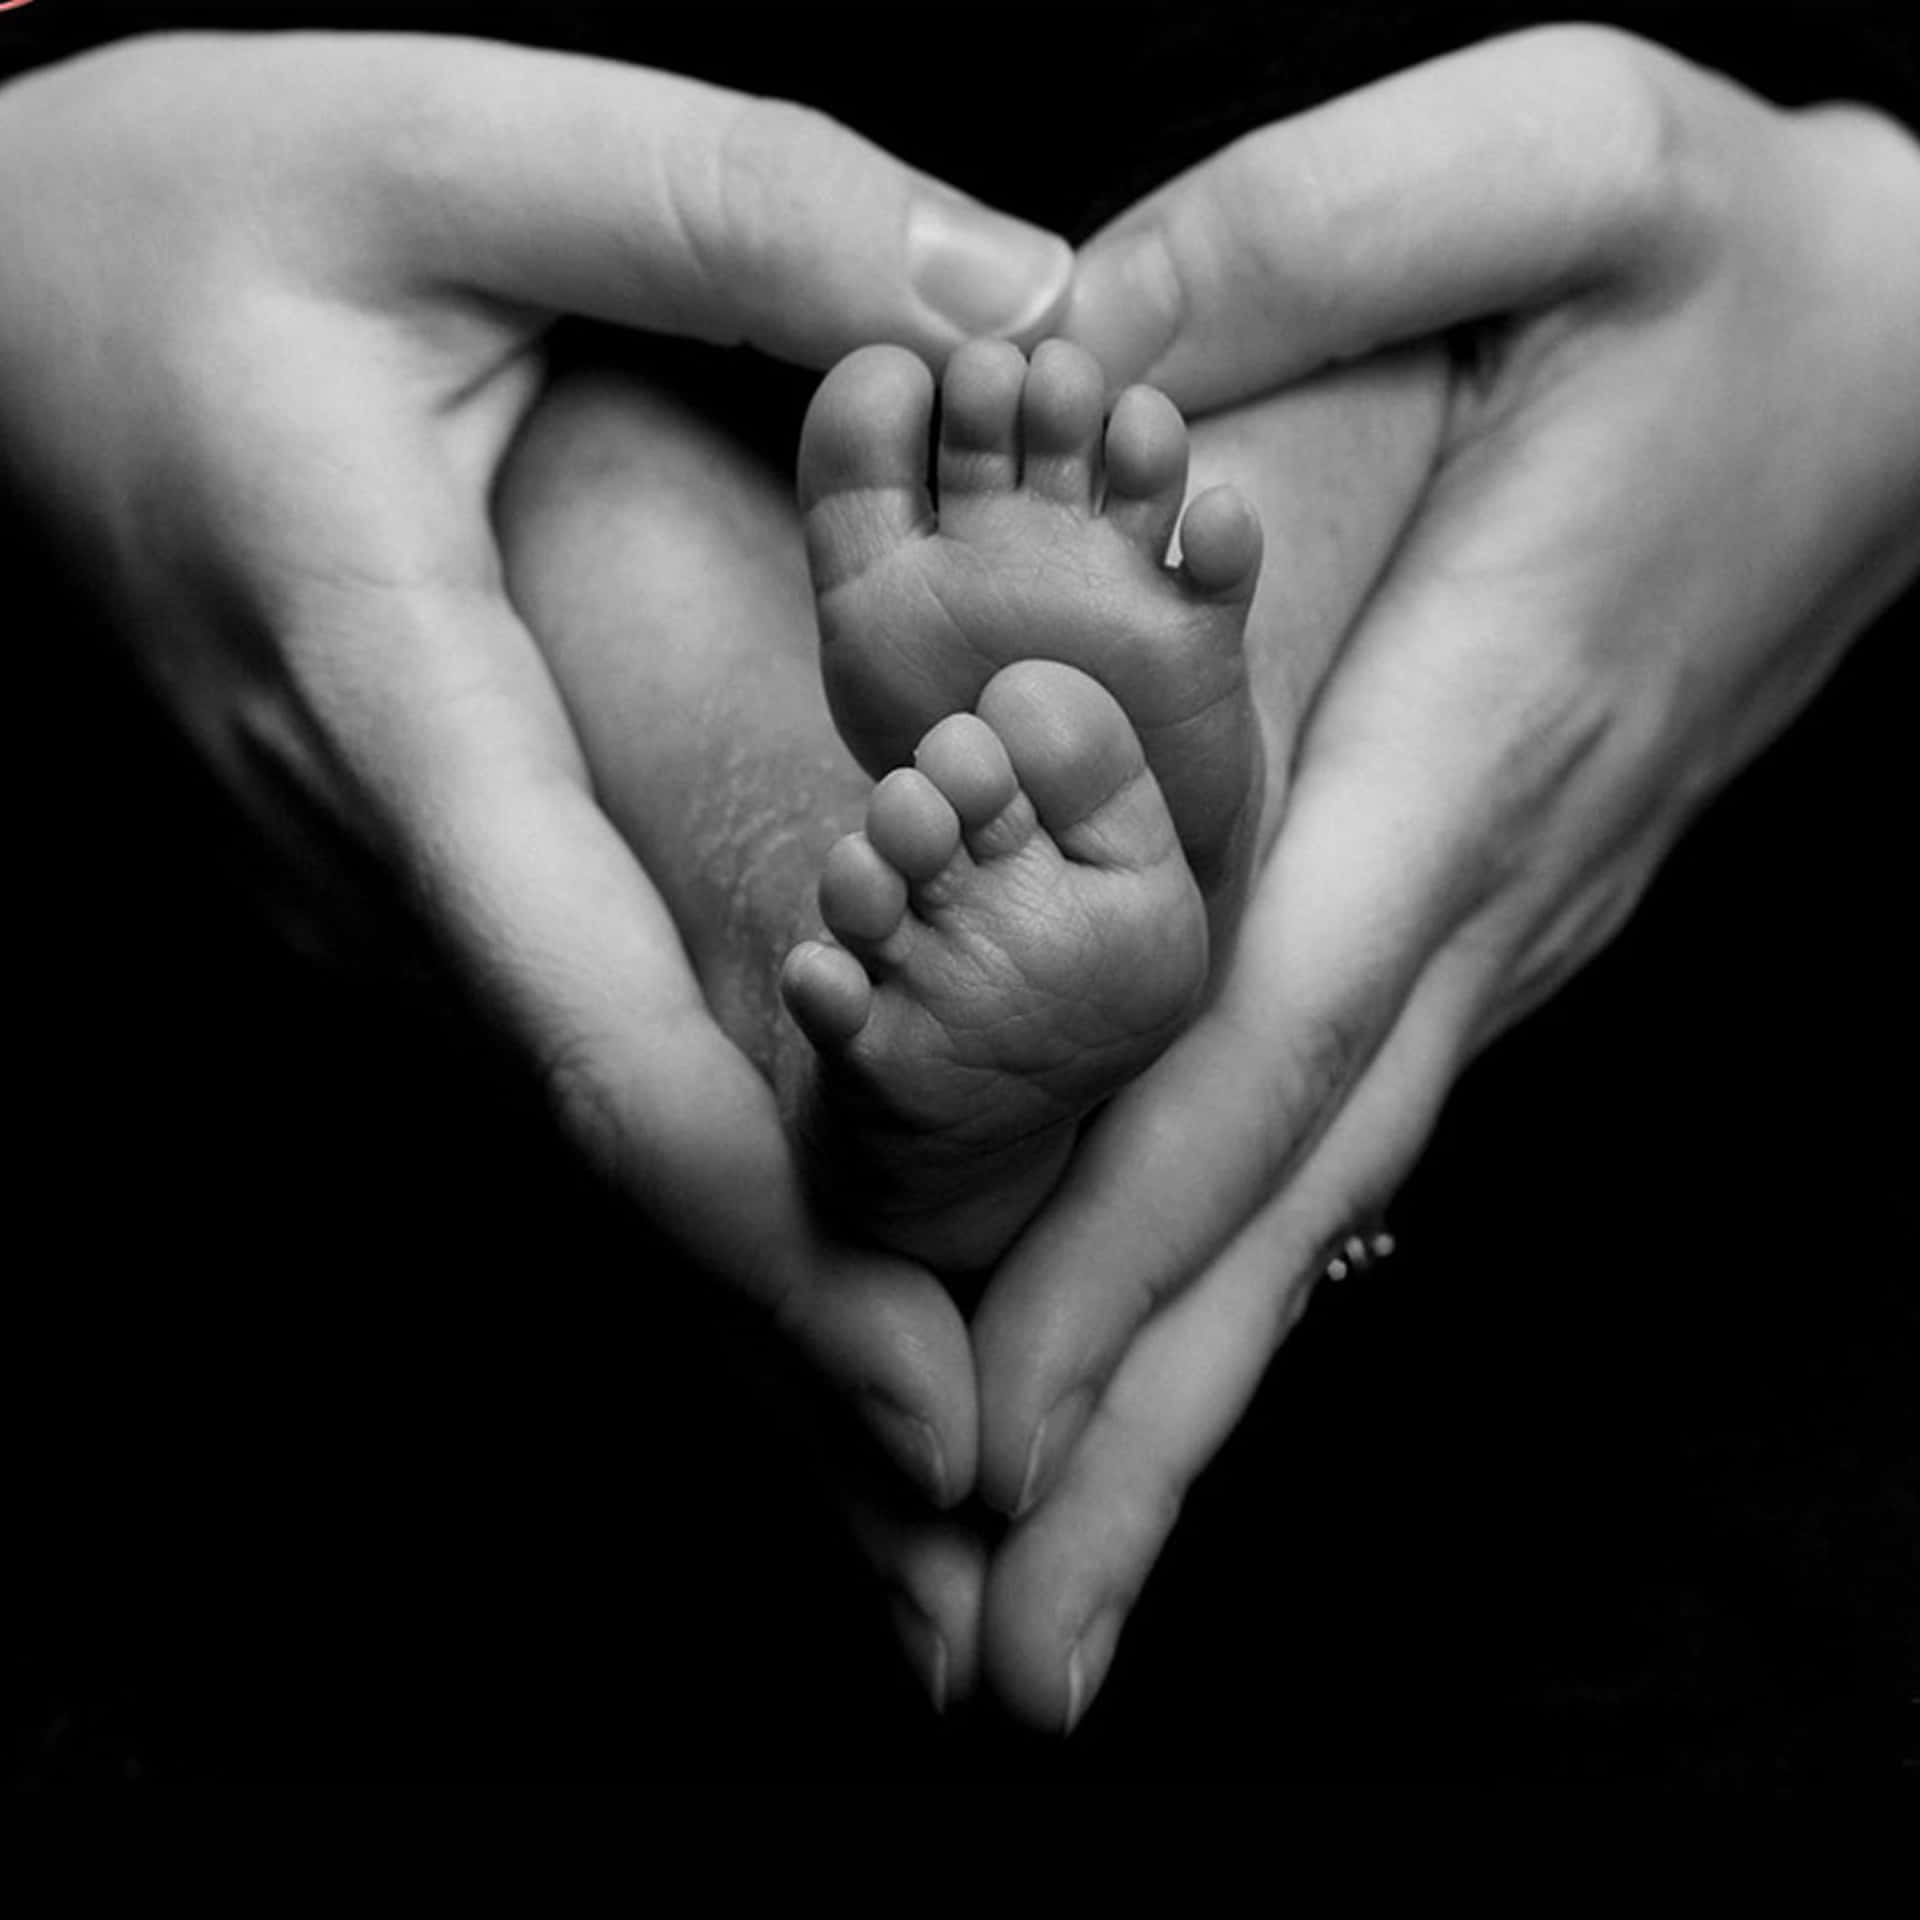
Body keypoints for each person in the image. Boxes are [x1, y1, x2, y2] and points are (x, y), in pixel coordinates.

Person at [6, 5, 1916, 1777]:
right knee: (616, 475)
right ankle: (926, 893)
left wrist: (1873, 274)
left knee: (1347, 356)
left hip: (1484, 273)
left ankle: (837, 931)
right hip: (477, 310)